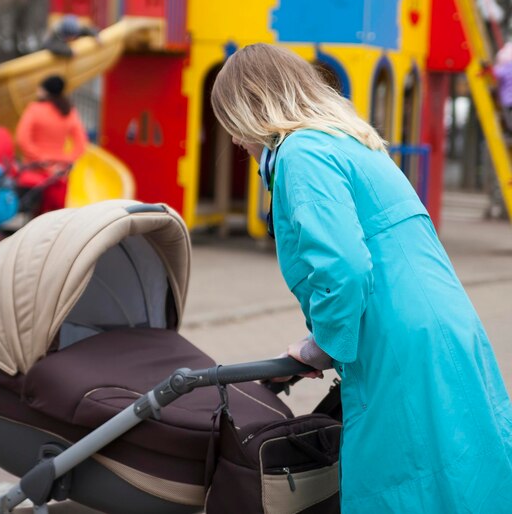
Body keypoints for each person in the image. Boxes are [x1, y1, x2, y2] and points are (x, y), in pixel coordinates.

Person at [211, 43, 512, 513]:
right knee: (466, 473)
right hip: (442, 329)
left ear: (252, 108)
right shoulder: (345, 141)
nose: (233, 140)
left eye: (231, 124)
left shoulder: (301, 155)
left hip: (397, 347)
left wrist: (323, 345)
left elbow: (344, 269)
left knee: (407, 484)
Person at [16, 75, 87, 213]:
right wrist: (64, 161)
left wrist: (41, 159)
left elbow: (22, 139)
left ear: (44, 91)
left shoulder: (35, 109)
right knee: (54, 218)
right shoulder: (68, 111)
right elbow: (81, 145)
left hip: (34, 173)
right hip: (58, 176)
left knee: (31, 218)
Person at [493, 42, 512, 134]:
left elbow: (496, 74)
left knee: (508, 118)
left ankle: (510, 130)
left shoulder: (505, 67)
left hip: (508, 99)